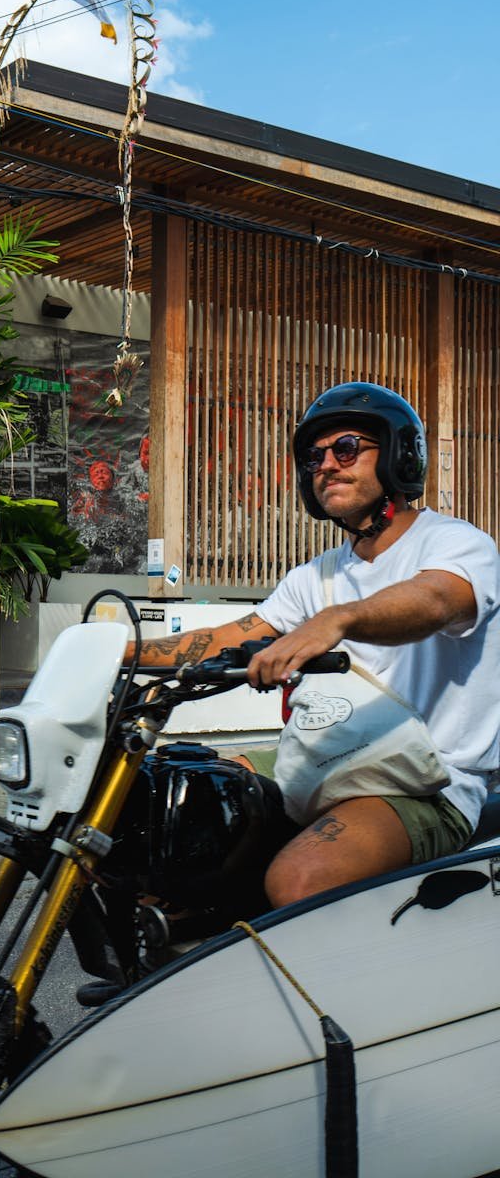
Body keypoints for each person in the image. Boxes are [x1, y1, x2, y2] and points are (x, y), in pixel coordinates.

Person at [131, 382, 500, 909]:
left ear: (397, 454)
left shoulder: (455, 543)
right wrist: (116, 649)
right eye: (314, 454)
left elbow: (438, 599)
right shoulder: (317, 575)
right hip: (333, 759)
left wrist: (339, 619)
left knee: (302, 879)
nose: (326, 464)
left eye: (346, 447)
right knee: (176, 802)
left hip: (426, 785)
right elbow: (230, 636)